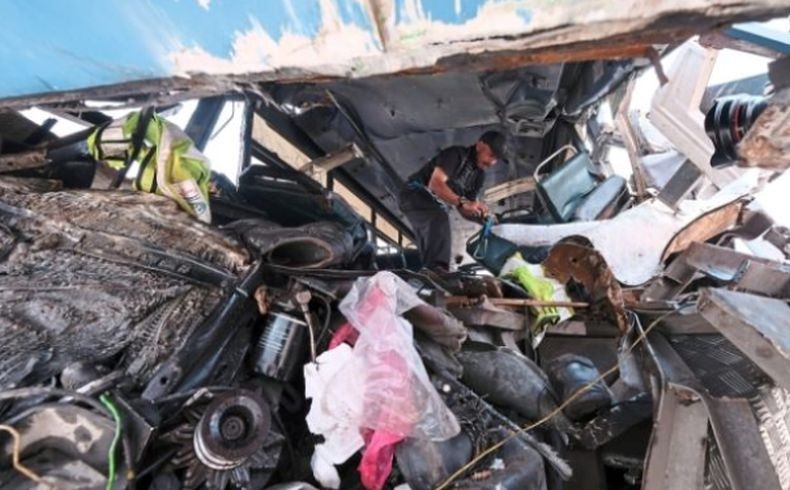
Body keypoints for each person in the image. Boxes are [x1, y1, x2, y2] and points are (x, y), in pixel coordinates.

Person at [399, 130, 506, 273]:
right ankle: (436, 271)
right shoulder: (456, 155)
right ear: (480, 145)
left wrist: (482, 219)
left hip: (431, 203)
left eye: (496, 159)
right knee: (438, 218)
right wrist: (462, 202)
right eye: (491, 155)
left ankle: (429, 272)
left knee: (437, 222)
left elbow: (466, 209)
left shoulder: (479, 176)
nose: (492, 162)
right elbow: (435, 184)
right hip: (413, 194)